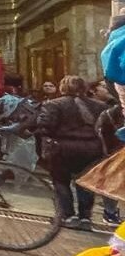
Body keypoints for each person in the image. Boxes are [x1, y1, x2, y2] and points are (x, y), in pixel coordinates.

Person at [37, 76, 110, 230]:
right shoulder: (100, 106)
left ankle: (68, 215)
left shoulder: (53, 105)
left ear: (62, 88)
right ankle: (85, 218)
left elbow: (45, 125)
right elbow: (106, 129)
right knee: (84, 182)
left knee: (61, 181)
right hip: (91, 148)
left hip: (62, 148)